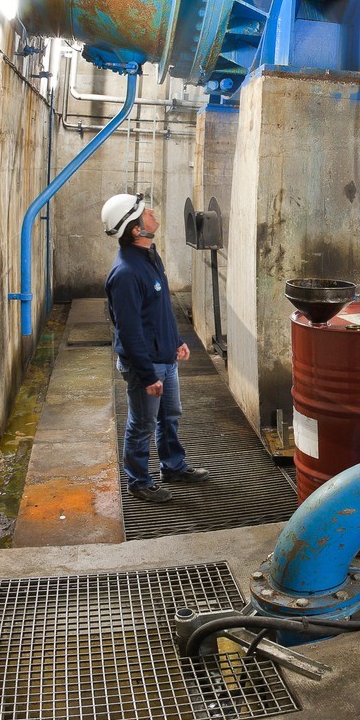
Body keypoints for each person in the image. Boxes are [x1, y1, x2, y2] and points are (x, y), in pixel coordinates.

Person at [102, 193, 210, 504]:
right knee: (142, 424)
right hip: (145, 365)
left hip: (164, 358)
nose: (152, 212)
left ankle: (173, 467)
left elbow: (160, 308)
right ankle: (138, 482)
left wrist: (175, 341)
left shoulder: (150, 255)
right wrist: (148, 376)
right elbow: (130, 331)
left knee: (170, 415)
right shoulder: (125, 273)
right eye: (144, 212)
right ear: (136, 229)